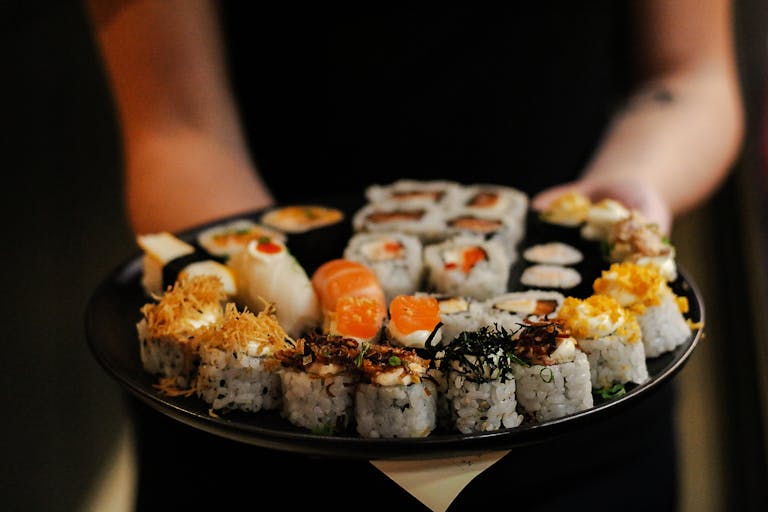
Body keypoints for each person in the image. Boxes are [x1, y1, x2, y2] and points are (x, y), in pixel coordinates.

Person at [84, 1, 743, 510]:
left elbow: (689, 78)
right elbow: (176, 128)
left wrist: (625, 195)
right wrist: (267, 287)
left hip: (578, 419)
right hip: (250, 439)